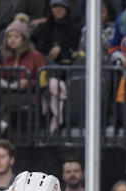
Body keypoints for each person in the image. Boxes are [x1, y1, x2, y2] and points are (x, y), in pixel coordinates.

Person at [0, 16, 48, 136]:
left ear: (24, 39)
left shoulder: (36, 56)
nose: (12, 40)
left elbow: (43, 82)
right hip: (10, 91)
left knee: (5, 100)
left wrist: (28, 83)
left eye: (16, 37)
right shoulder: (8, 58)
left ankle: (1, 126)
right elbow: (3, 78)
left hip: (31, 95)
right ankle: (0, 124)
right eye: (9, 37)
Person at [32, 0, 81, 133]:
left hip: (66, 69)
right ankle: (45, 121)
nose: (58, 10)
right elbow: (33, 44)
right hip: (44, 68)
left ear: (66, 9)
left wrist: (62, 48)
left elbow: (75, 48)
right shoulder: (43, 27)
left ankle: (59, 120)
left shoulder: (75, 27)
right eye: (55, 7)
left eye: (61, 7)